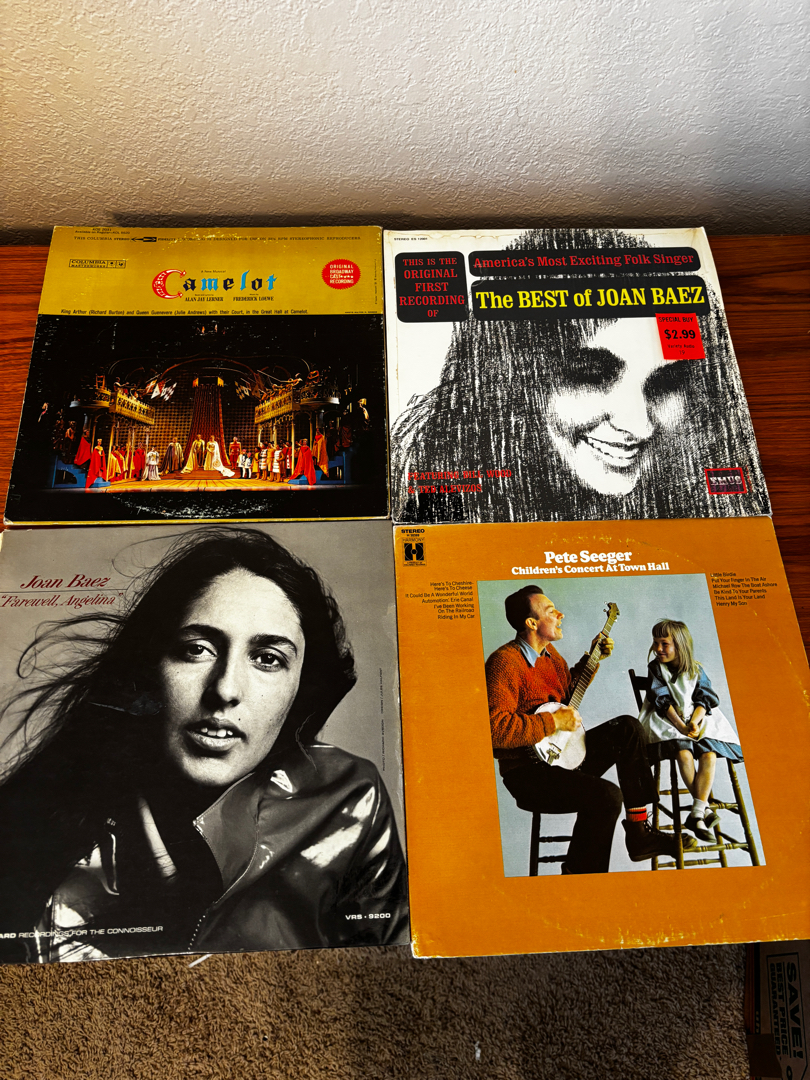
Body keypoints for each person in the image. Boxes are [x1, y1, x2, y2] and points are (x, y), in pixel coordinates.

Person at [0, 528, 407, 962]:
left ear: (301, 690)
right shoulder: (33, 830)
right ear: (148, 667)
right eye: (197, 650)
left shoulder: (348, 799)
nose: (225, 690)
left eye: (268, 659)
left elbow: (391, 981)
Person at [390, 227, 769, 524]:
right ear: (510, 383)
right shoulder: (426, 472)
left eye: (667, 382)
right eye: (591, 376)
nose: (638, 425)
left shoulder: (706, 487)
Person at [485, 584, 687, 874]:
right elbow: (495, 730)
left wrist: (592, 660)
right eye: (551, 611)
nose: (561, 615)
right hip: (528, 775)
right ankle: (580, 879)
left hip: (563, 757)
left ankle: (638, 832)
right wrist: (553, 723)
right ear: (531, 623)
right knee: (607, 796)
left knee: (627, 727)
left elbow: (564, 700)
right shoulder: (504, 663)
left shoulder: (552, 657)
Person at [638, 619, 742, 843]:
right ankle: (702, 810)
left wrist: (694, 723)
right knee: (683, 753)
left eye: (664, 644)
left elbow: (705, 699)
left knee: (708, 754)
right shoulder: (656, 669)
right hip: (668, 719)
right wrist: (682, 727)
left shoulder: (696, 669)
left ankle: (697, 812)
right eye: (655, 643)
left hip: (697, 717)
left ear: (680, 645)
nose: (658, 648)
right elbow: (662, 700)